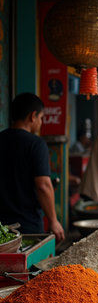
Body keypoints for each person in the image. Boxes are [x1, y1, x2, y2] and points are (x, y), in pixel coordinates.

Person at [0, 93, 65, 242]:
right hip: (27, 226)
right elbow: (43, 185)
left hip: (1, 229)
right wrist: (53, 221)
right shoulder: (36, 144)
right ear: (33, 116)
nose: (41, 123)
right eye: (41, 118)